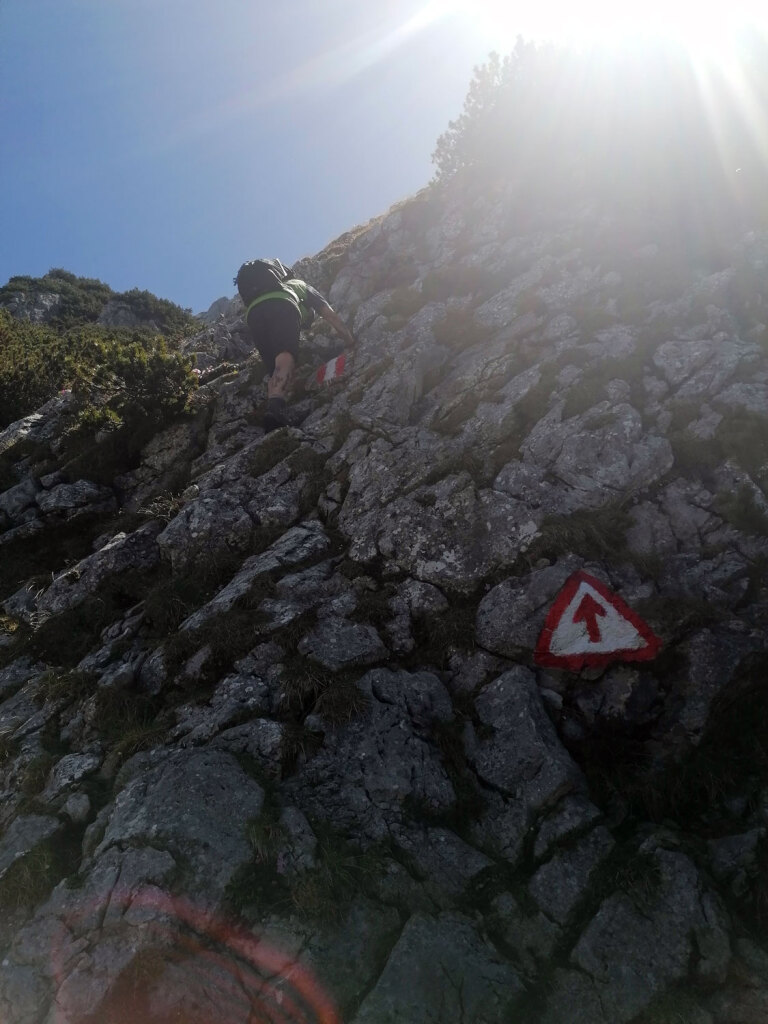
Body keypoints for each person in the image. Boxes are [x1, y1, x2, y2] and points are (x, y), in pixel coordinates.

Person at [242, 271, 356, 431]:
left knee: (274, 368)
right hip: (281, 304)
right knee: (285, 355)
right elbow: (330, 315)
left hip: (253, 314)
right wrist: (349, 340)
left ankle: (273, 407)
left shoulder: (267, 289)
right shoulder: (302, 285)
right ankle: (275, 410)